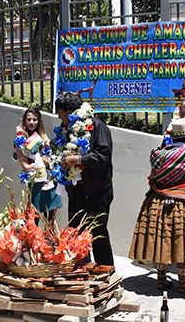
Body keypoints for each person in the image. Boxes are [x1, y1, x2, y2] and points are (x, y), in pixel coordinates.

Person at [129, 118, 185, 293]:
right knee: (180, 241)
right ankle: (182, 283)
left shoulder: (158, 155)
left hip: (158, 202)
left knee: (161, 240)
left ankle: (161, 280)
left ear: (171, 137)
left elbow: (153, 177)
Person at [55, 92, 114, 266]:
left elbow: (104, 155)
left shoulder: (96, 126)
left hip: (97, 191)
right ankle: (83, 271)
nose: (58, 116)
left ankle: (106, 274)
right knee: (76, 234)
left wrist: (78, 160)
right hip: (76, 190)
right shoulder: (66, 130)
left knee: (97, 234)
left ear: (69, 111)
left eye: (60, 112)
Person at [15, 108, 61, 224]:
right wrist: (41, 164)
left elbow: (52, 159)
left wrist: (49, 156)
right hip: (35, 182)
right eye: (28, 119)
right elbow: (26, 166)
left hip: (49, 181)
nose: (31, 122)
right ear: (24, 121)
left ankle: (49, 240)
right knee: (33, 217)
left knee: (50, 218)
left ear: (39, 121)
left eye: (34, 120)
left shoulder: (44, 139)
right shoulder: (20, 140)